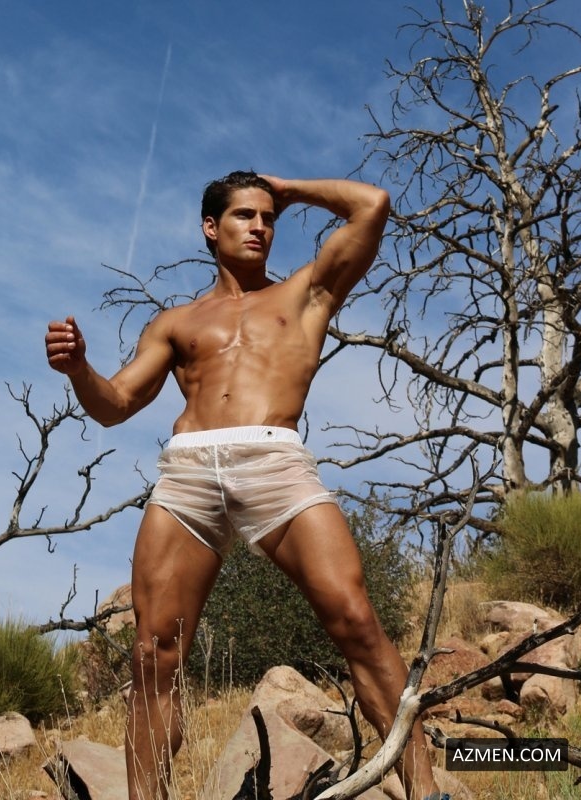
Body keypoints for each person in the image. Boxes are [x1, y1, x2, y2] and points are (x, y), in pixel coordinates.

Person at [45, 171, 446, 800]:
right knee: (154, 653)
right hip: (189, 473)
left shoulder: (305, 293)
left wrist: (286, 188)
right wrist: (78, 370)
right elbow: (115, 404)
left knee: (356, 622)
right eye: (244, 215)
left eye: (268, 217)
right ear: (211, 227)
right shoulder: (175, 322)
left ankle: (428, 791)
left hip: (274, 461)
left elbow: (372, 205)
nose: (260, 226)